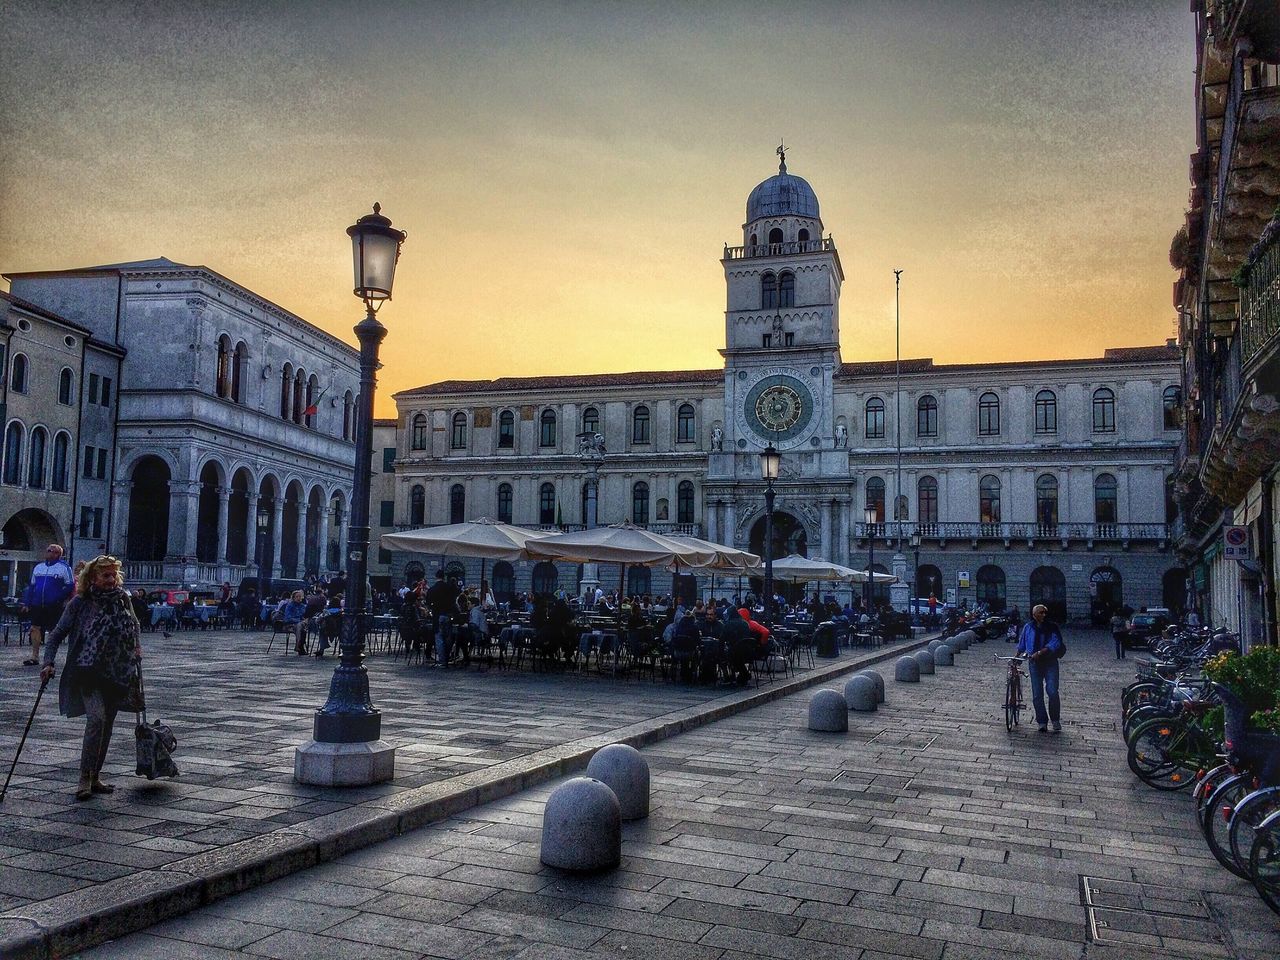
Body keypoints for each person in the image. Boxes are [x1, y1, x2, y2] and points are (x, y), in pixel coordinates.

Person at [39, 555, 143, 801]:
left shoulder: (123, 600)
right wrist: (48, 663)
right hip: (86, 670)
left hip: (117, 671)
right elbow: (56, 635)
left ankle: (96, 775)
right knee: (96, 719)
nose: (110, 580)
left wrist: (136, 647)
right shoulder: (80, 603)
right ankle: (84, 777)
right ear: (92, 578)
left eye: (113, 575)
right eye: (105, 575)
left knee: (107, 724)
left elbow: (134, 625)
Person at [19, 543, 75, 666]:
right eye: (48, 550)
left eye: (52, 551)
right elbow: (32, 586)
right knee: (35, 628)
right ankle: (34, 656)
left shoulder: (64, 568)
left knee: (53, 630)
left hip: (54, 604)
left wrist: (59, 597)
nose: (49, 553)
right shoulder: (39, 567)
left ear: (58, 554)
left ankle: (49, 658)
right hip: (37, 603)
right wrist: (27, 602)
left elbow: (70, 585)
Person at [1015, 604, 1065, 733]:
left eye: (1045, 612)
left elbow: (1055, 642)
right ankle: (1042, 721)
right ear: (1034, 615)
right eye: (1041, 613)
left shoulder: (1052, 627)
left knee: (1052, 691)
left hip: (1050, 662)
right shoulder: (1028, 627)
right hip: (1034, 663)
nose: (1044, 615)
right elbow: (1022, 645)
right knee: (1037, 694)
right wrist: (1016, 658)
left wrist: (1041, 652)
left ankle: (1055, 719)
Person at [425, 570, 460, 666]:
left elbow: (428, 603)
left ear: (436, 576)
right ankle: (447, 656)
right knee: (448, 638)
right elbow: (454, 599)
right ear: (444, 577)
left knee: (439, 638)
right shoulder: (448, 588)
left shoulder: (432, 589)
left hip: (437, 616)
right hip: (448, 615)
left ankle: (442, 660)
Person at [280, 590, 308, 655]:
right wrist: (299, 620)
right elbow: (288, 618)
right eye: (297, 597)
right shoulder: (289, 606)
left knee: (301, 628)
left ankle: (299, 646)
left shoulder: (302, 606)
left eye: (300, 596)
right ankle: (299, 646)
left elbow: (304, 616)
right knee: (300, 627)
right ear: (293, 598)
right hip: (289, 625)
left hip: (300, 625)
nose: (299, 598)